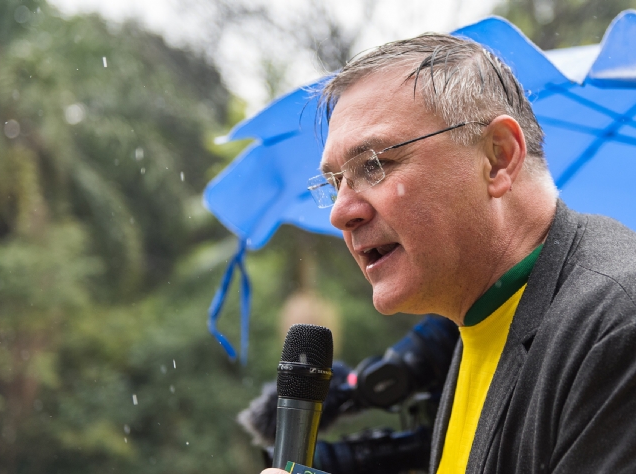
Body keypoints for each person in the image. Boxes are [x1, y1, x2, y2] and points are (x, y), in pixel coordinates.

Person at [263, 33, 636, 474]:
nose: (341, 213)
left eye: (374, 165)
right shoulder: (476, 320)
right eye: (334, 183)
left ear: (498, 157)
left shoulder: (616, 323)